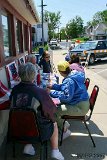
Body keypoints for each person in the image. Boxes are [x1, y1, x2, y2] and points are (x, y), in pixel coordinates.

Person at [10, 62, 64, 160]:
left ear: (20, 75)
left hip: (17, 129)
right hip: (38, 132)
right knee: (54, 123)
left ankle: (28, 146)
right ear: (34, 75)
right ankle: (55, 151)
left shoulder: (14, 90)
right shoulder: (40, 92)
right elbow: (52, 113)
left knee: (26, 118)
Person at [47, 61, 89, 139]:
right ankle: (64, 125)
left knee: (55, 111)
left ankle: (65, 130)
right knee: (57, 105)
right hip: (81, 103)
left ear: (61, 72)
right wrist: (53, 86)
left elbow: (66, 97)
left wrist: (51, 93)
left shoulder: (69, 80)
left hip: (80, 107)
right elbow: (64, 88)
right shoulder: (73, 75)